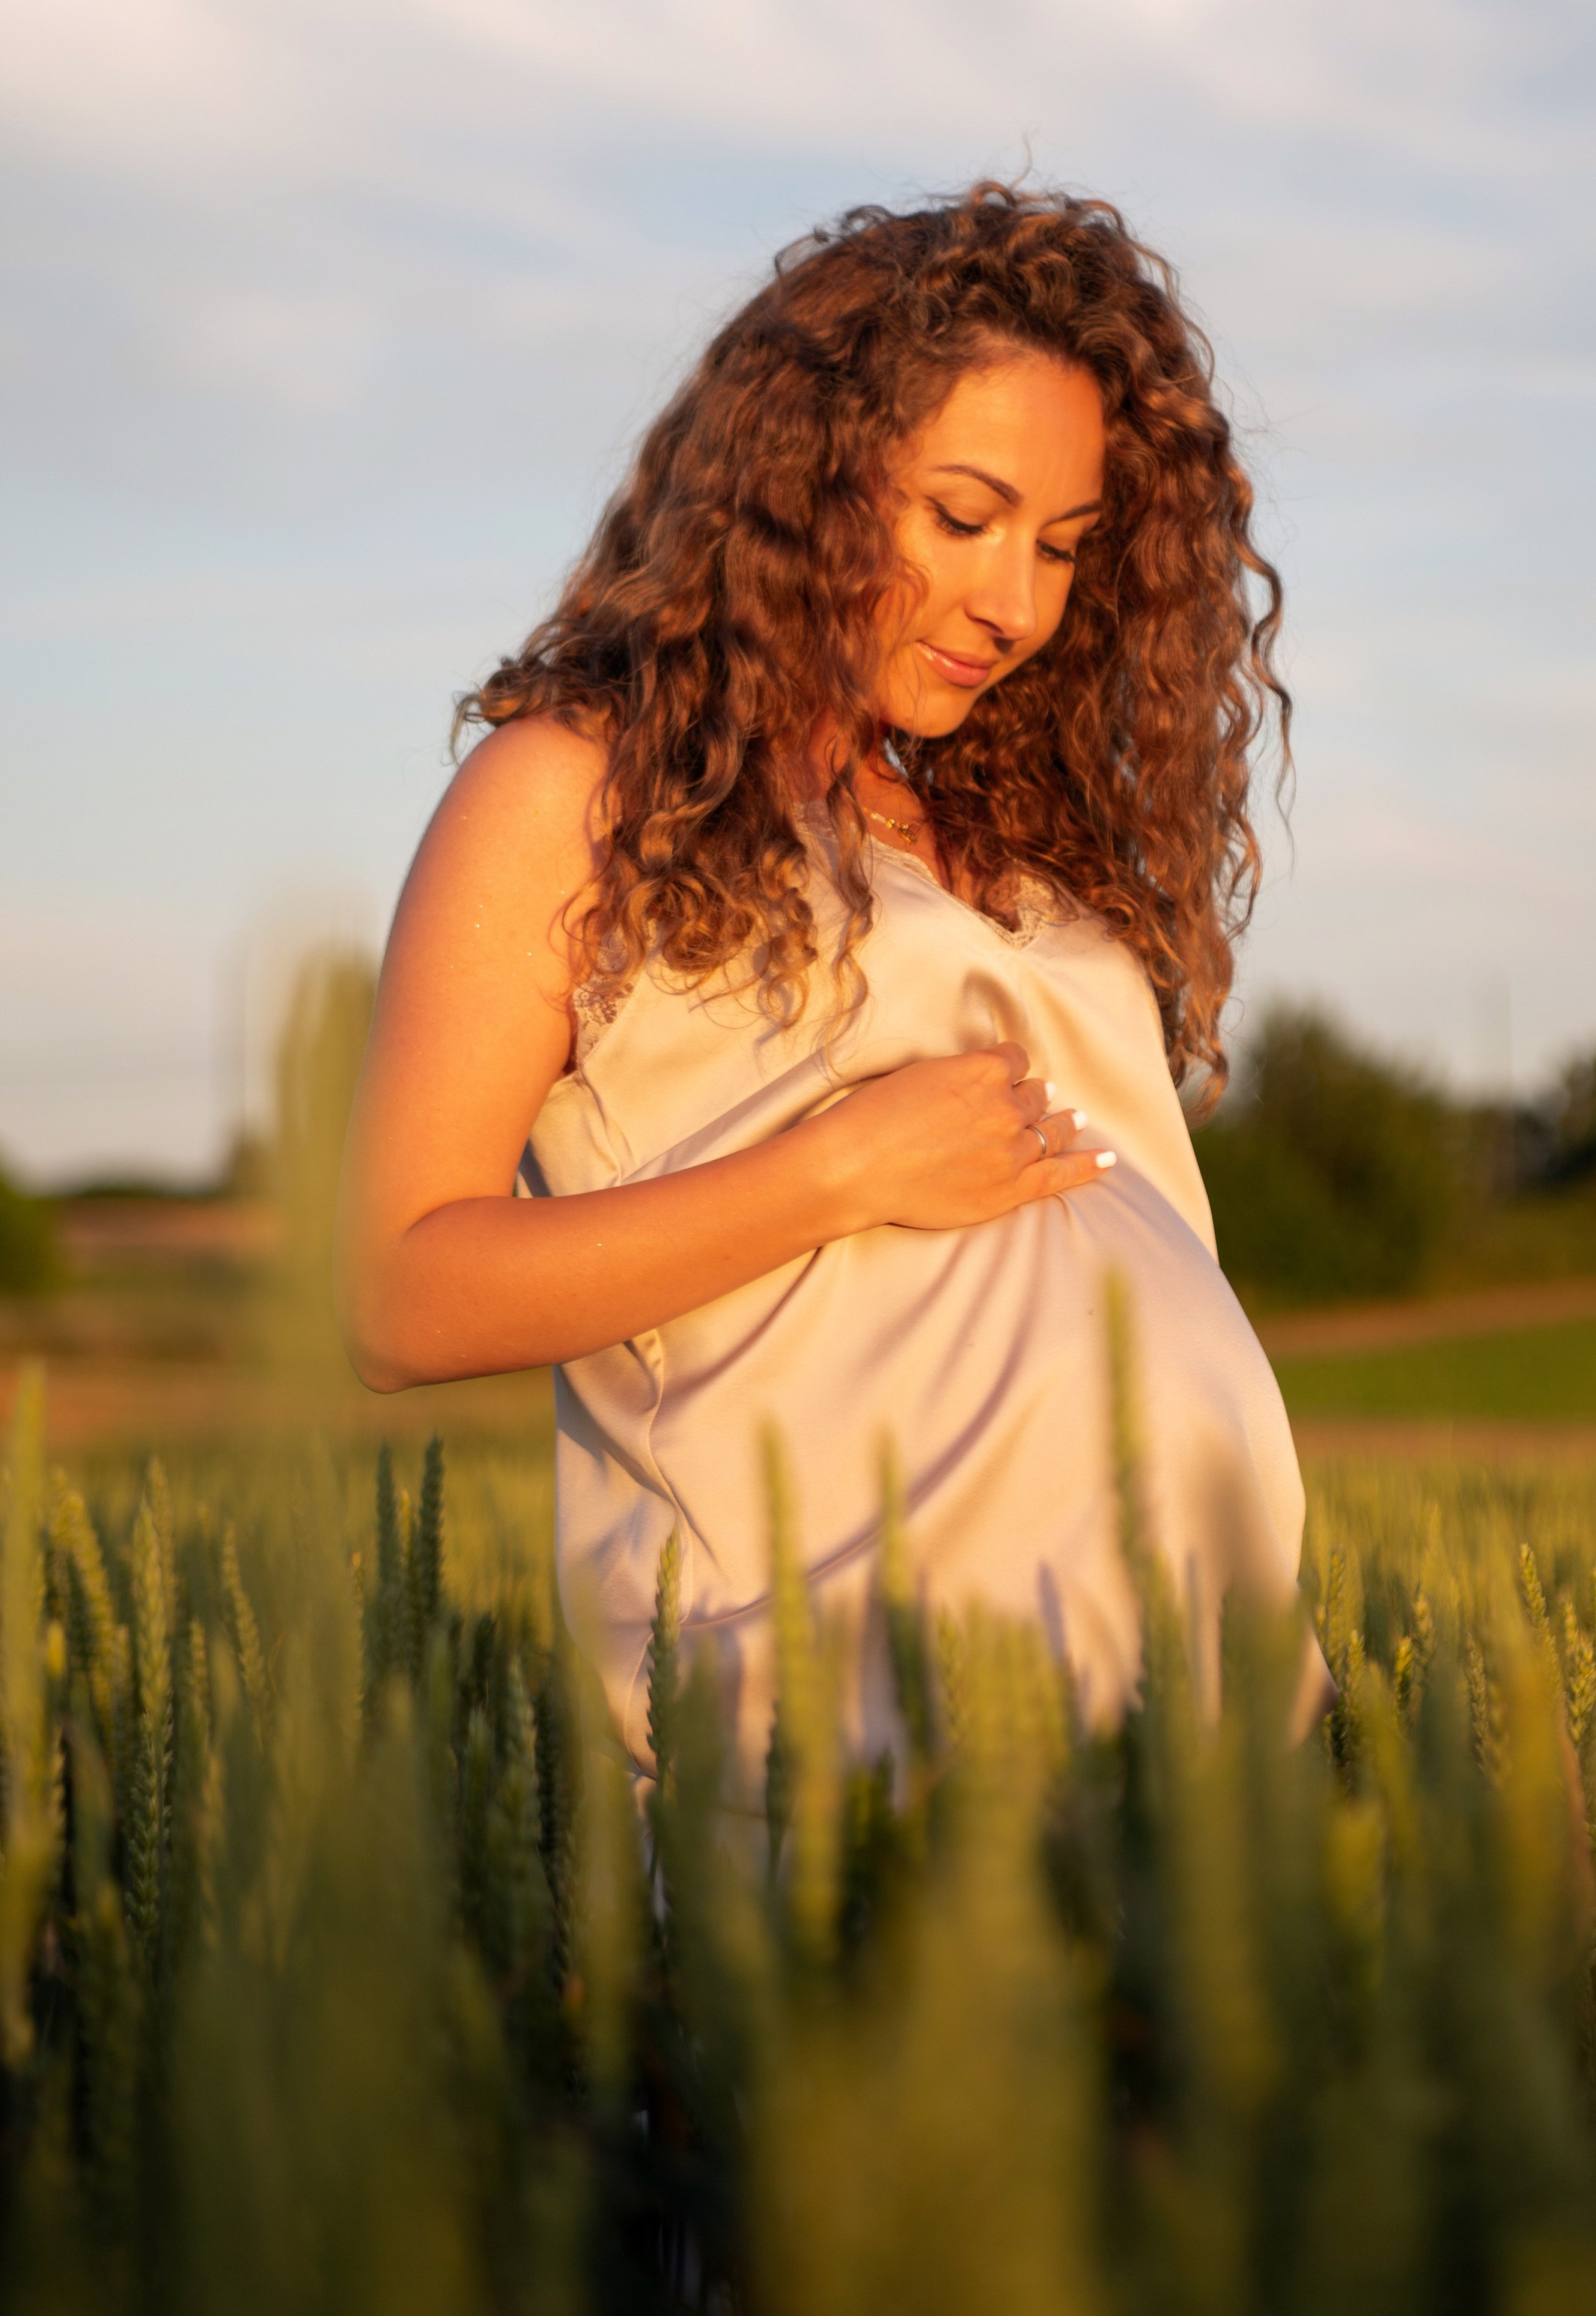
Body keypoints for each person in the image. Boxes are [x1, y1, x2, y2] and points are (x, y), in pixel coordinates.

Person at [338, 181, 1326, 1775]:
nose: (1014, 604)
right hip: (842, 1753)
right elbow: (400, 1295)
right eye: (961, 517)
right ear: (804, 481)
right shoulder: (579, 792)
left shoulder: (1007, 827)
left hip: (1194, 1745)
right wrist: (835, 1174)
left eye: (1063, 547)